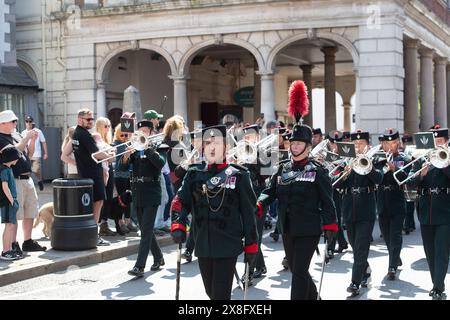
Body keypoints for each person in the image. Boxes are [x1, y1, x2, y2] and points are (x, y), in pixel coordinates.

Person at [257, 80, 338, 300]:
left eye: (298, 143)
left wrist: (331, 225)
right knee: (296, 269)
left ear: (308, 147)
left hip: (309, 228)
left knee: (300, 271)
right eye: (292, 143)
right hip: (288, 227)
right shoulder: (282, 169)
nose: (294, 146)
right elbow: (270, 190)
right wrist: (260, 203)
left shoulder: (318, 171)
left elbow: (328, 201)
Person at [171, 124, 258, 300]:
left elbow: (249, 213)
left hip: (228, 244)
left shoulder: (240, 175)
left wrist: (251, 244)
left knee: (220, 295)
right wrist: (179, 224)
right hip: (203, 244)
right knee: (211, 293)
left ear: (226, 147)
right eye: (208, 143)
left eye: (216, 143)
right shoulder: (194, 173)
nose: (211, 147)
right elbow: (180, 201)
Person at [332, 129, 383, 296]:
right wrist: (345, 174)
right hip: (348, 208)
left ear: (367, 145)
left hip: (366, 208)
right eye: (355, 144)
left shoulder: (374, 159)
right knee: (355, 246)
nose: (358, 146)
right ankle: (365, 269)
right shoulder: (345, 161)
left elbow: (379, 179)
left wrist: (368, 166)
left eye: (361, 144)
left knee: (361, 247)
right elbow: (334, 183)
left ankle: (355, 282)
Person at [408, 125, 450, 300]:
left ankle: (438, 287)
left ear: (447, 143)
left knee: (441, 250)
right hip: (425, 211)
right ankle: (436, 283)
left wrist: (444, 164)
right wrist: (421, 175)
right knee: (430, 252)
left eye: (440, 142)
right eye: (435, 143)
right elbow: (409, 183)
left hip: (445, 210)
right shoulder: (421, 158)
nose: (437, 146)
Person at [122, 120, 166, 277]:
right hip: (138, 192)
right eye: (139, 131)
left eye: (145, 131)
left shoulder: (158, 146)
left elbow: (160, 164)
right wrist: (126, 157)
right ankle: (159, 257)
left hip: (152, 193)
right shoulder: (134, 148)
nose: (141, 134)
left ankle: (139, 266)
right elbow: (121, 168)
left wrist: (147, 148)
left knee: (145, 231)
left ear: (151, 133)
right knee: (146, 230)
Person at [0, 110, 46, 255]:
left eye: (16, 121)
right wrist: (27, 138)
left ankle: (27, 241)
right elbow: (13, 153)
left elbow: (28, 154)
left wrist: (32, 140)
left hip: (27, 178)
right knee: (15, 215)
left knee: (30, 212)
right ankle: (13, 244)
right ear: (2, 123)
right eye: (13, 121)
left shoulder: (16, 134)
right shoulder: (1, 138)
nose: (16, 123)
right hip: (14, 179)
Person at [72, 108, 112, 246]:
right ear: (80, 119)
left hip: (86, 173)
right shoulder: (83, 134)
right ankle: (94, 235)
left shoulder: (77, 133)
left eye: (91, 119)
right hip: (93, 173)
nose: (90, 122)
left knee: (94, 203)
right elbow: (95, 154)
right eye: (88, 119)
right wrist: (109, 157)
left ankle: (92, 234)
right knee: (98, 202)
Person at [376, 128, 410, 280]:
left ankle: (392, 266)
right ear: (382, 144)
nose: (390, 146)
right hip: (382, 198)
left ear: (398, 143)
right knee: (387, 235)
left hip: (397, 198)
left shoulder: (404, 158)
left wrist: (395, 168)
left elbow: (406, 178)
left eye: (393, 143)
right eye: (387, 143)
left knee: (395, 234)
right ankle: (395, 255)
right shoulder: (376, 159)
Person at [325, 130, 348, 255]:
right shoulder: (325, 154)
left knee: (335, 217)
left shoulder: (345, 155)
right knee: (334, 217)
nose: (334, 146)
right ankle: (342, 242)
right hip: (327, 189)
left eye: (337, 144)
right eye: (332, 143)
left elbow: (344, 172)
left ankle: (330, 247)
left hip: (338, 191)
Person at [112, 124, 137, 234]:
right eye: (122, 135)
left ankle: (127, 221)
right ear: (117, 134)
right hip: (119, 176)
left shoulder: (129, 143)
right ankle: (120, 222)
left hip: (129, 175)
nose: (124, 137)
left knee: (128, 200)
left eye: (126, 135)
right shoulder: (116, 144)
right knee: (120, 201)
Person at [94, 117, 117, 237]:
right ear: (99, 126)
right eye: (105, 126)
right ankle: (98, 225)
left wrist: (111, 154)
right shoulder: (95, 137)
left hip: (109, 168)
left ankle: (104, 223)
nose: (108, 128)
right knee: (101, 198)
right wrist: (109, 154)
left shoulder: (108, 139)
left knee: (108, 198)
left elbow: (112, 156)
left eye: (109, 126)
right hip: (101, 170)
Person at [0, 146, 21, 260]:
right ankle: (5, 251)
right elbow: (5, 187)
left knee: (10, 226)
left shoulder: (8, 169)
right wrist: (12, 201)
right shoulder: (3, 170)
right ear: (11, 158)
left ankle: (7, 250)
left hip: (11, 201)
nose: (18, 159)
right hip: (8, 202)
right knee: (9, 226)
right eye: (16, 157)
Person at [21, 116, 48, 191]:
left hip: (36, 154)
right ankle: (28, 187)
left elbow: (43, 142)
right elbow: (22, 143)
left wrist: (46, 153)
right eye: (27, 121)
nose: (28, 123)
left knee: (35, 170)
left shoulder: (38, 131)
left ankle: (40, 181)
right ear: (25, 123)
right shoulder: (23, 133)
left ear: (32, 122)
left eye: (30, 121)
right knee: (28, 171)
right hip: (27, 155)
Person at [401, 134, 416, 234]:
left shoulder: (414, 151)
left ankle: (409, 224)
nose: (406, 144)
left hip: (410, 180)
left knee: (410, 204)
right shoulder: (401, 153)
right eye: (405, 143)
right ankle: (408, 224)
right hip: (405, 181)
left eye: (408, 142)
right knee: (407, 204)